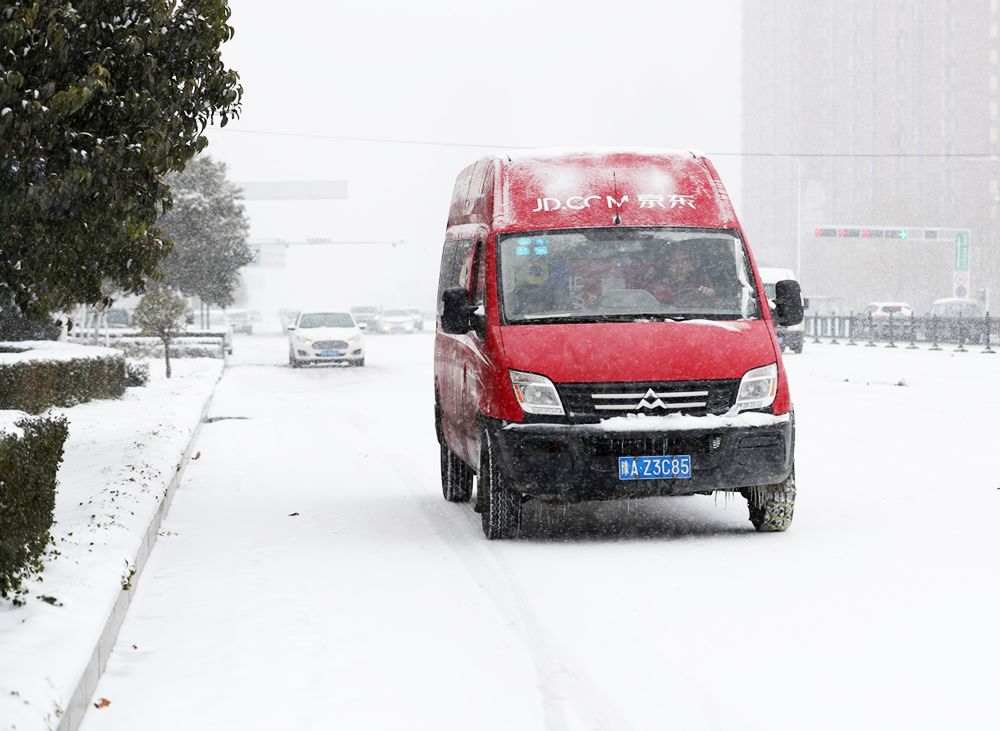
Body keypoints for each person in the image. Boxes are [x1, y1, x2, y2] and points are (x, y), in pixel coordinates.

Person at [644, 246, 716, 306]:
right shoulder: (655, 288)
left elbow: (715, 306)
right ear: (668, 265)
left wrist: (709, 294)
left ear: (691, 264)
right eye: (675, 262)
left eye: (684, 261)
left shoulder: (701, 284)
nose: (680, 266)